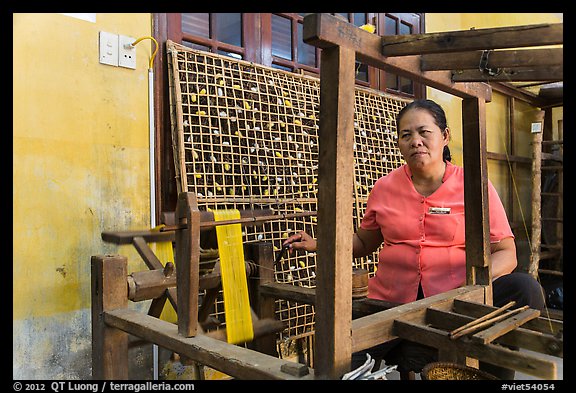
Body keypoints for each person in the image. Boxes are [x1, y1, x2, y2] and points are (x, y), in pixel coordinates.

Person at [283, 99, 545, 379]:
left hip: (453, 302)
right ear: (398, 143)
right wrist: (318, 244)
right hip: (388, 302)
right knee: (336, 363)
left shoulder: (474, 185)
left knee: (523, 287)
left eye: (424, 132)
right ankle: (415, 351)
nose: (415, 141)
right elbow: (363, 243)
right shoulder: (384, 188)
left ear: (444, 137)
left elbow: (506, 251)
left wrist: (471, 287)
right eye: (406, 135)